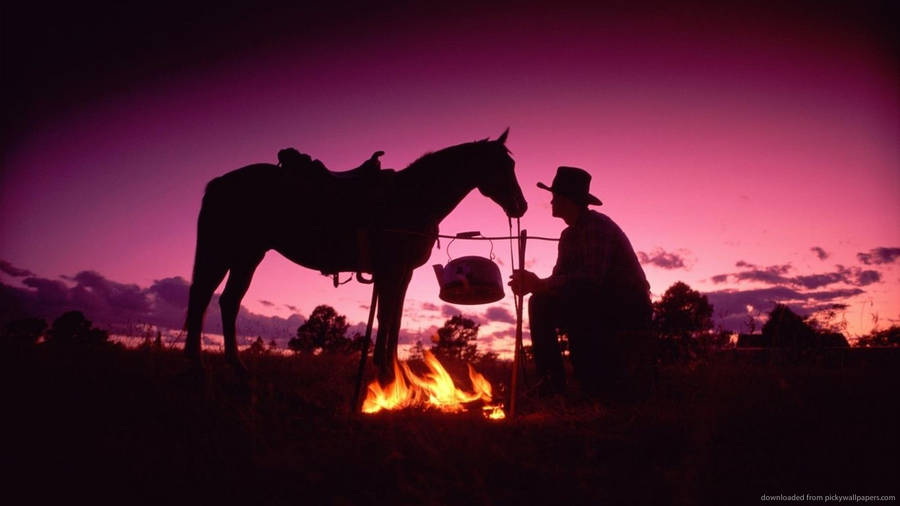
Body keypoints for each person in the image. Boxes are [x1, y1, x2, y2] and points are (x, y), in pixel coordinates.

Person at [509, 166, 653, 398]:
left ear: (567, 200)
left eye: (555, 197)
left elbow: (593, 279)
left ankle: (592, 381)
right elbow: (559, 282)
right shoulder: (568, 236)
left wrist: (542, 284)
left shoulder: (597, 226)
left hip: (627, 305)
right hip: (597, 301)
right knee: (540, 302)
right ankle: (551, 383)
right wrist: (534, 286)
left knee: (580, 298)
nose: (552, 202)